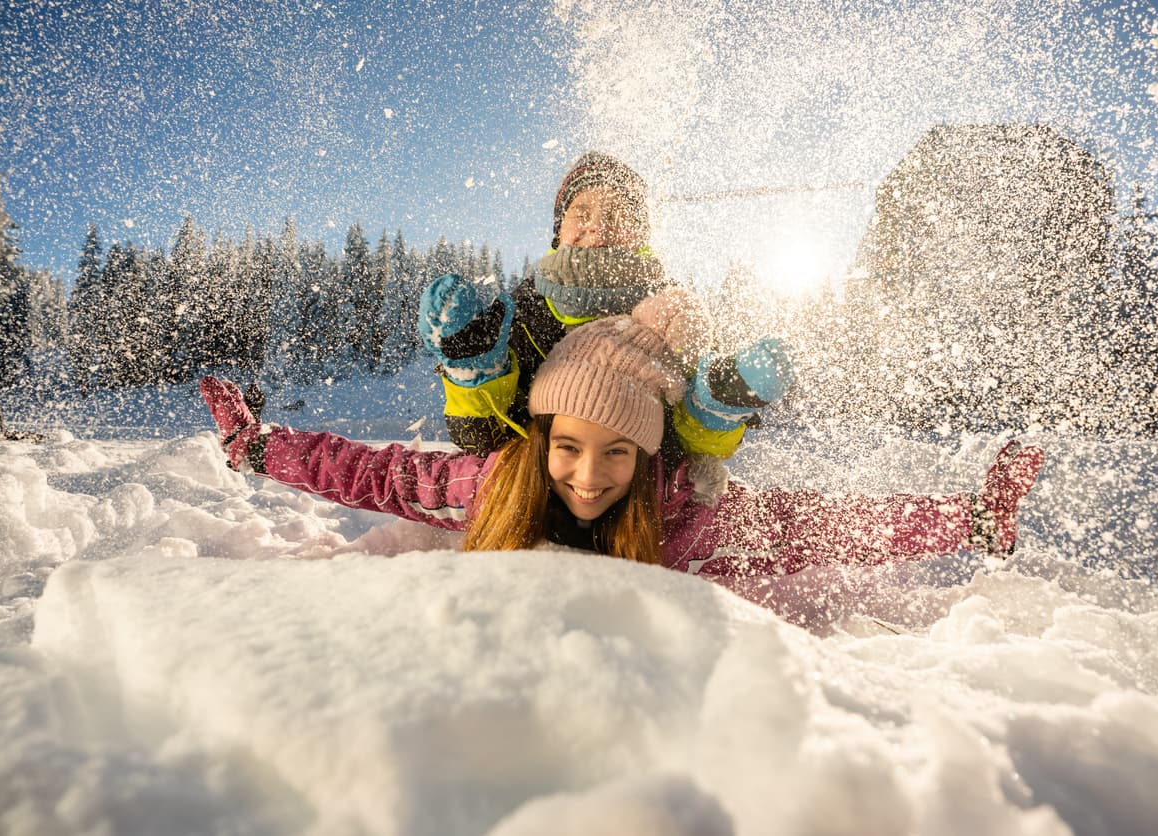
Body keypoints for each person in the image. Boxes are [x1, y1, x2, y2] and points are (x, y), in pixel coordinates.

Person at [200, 297, 1045, 576]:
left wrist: (969, 520)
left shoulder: (687, 512)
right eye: (568, 444)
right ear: (540, 437)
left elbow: (823, 530)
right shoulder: (498, 483)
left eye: (617, 452)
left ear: (649, 455)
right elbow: (372, 474)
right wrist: (255, 447)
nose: (588, 475)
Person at [417, 150, 793, 464]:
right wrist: (475, 373)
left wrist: (715, 410)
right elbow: (481, 442)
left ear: (640, 235)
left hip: (642, 510)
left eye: (616, 216)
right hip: (534, 498)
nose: (596, 226)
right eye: (581, 213)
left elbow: (695, 457)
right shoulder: (523, 312)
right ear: (559, 229)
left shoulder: (675, 315)